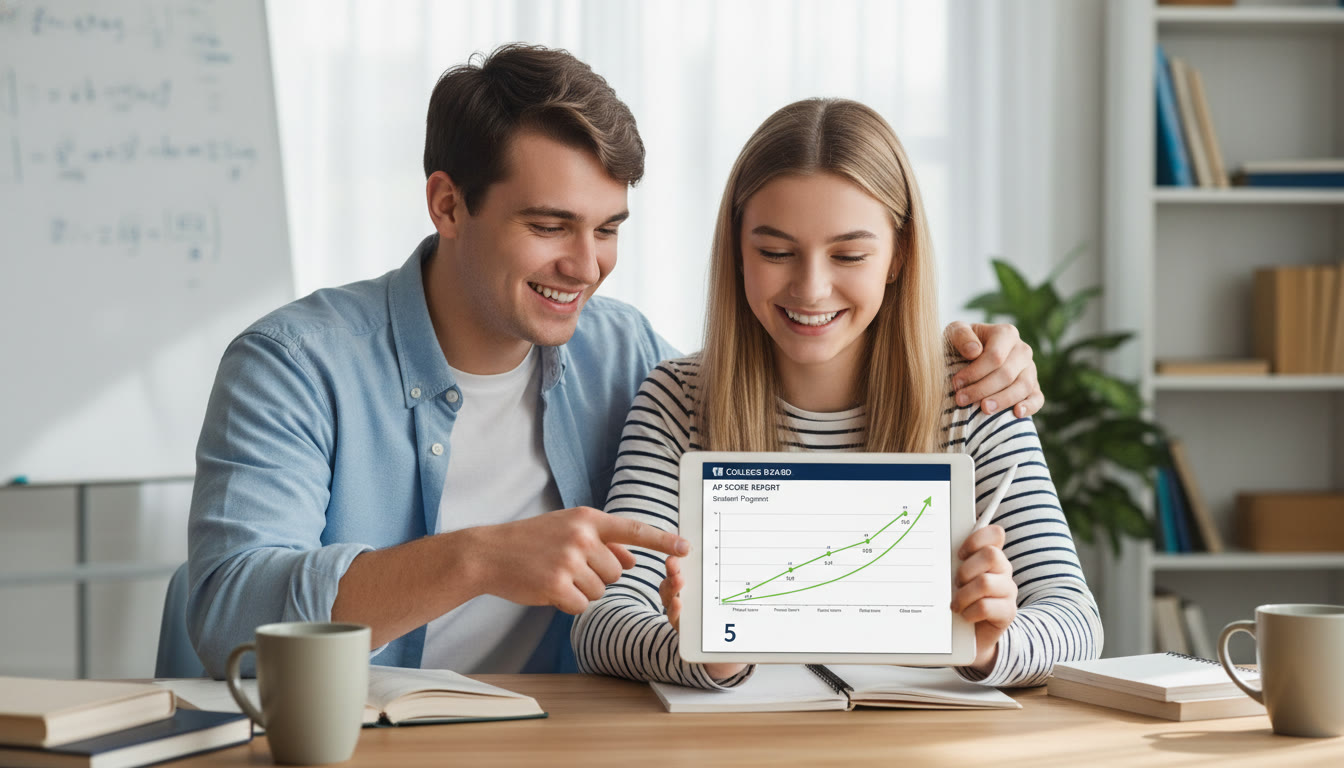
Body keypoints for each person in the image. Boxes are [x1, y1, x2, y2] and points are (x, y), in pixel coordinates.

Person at [187, 44, 1045, 678]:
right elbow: (226, 612)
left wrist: (970, 355)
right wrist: (477, 560)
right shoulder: (293, 365)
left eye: (609, 230)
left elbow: (785, 382)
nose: (585, 265)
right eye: (550, 226)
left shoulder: (622, 353)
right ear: (449, 205)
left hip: (544, 737)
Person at [572, 98, 1102, 689]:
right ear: (737, 249)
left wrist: (986, 647)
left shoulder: (974, 394)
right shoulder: (678, 400)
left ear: (898, 255)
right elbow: (602, 623)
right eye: (775, 252)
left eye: (849, 254)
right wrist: (707, 654)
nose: (812, 288)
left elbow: (1076, 622)